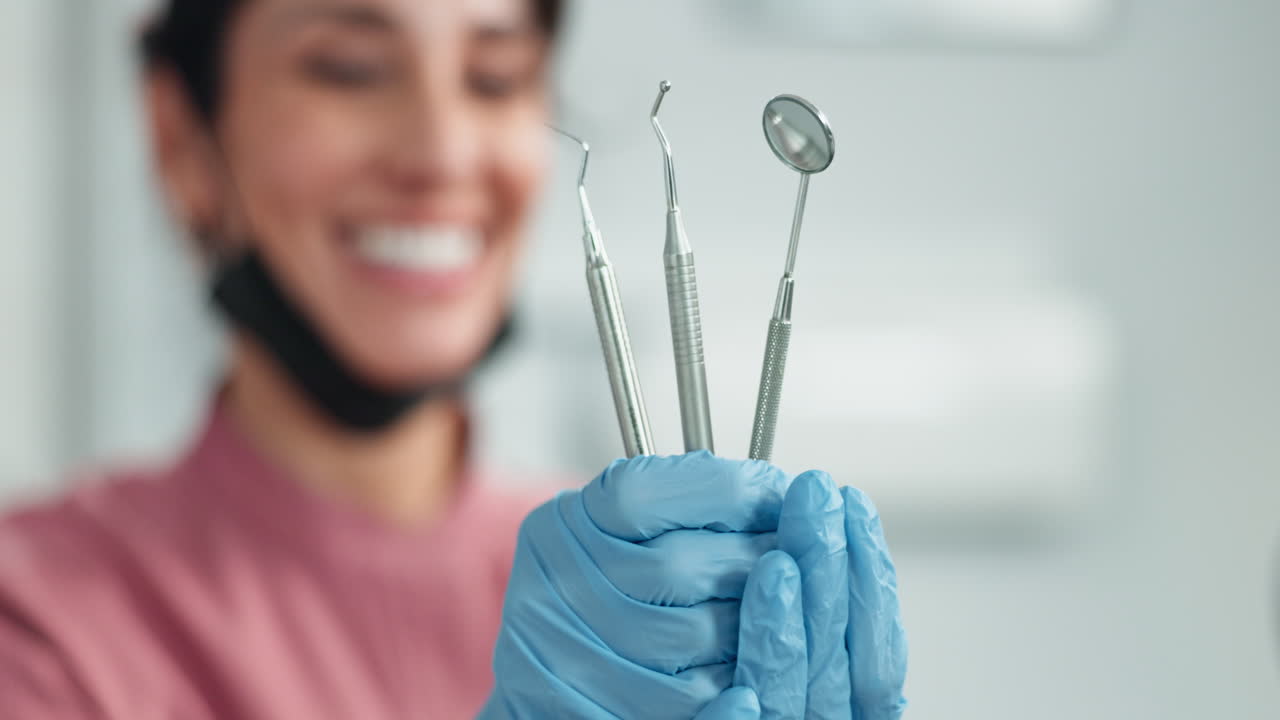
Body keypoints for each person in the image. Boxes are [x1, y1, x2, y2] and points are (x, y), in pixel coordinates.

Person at [0, 0, 907, 718]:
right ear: (181, 138)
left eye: (494, 75)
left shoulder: (637, 599)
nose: (439, 153)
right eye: (349, 69)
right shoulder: (38, 624)